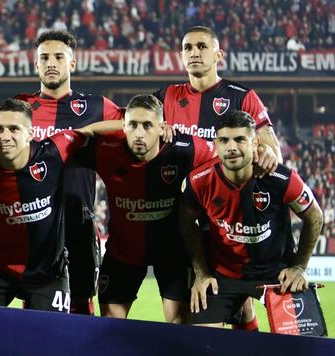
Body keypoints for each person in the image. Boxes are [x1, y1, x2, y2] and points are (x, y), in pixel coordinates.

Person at [154, 26, 281, 330]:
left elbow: (271, 147)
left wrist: (267, 153)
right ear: (181, 55)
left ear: (218, 54)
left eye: (201, 46)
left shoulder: (242, 97)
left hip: (227, 222)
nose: (194, 52)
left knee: (243, 305)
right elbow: (136, 127)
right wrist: (155, 130)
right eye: (187, 47)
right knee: (181, 316)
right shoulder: (167, 96)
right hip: (179, 217)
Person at [0, 98, 116, 313]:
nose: (5, 136)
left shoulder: (53, 152)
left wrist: (153, 127)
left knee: (53, 339)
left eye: (14, 129)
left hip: (48, 272)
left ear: (31, 133)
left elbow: (90, 130)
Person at [75, 94, 213, 323]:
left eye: (148, 125)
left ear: (162, 128)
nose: (139, 133)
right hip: (123, 253)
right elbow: (74, 137)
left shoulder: (185, 149)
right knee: (111, 331)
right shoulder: (105, 150)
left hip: (173, 254)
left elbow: (226, 159)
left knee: (179, 333)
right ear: (124, 126)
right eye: (133, 125)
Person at [180, 110, 323, 327]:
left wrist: (299, 268)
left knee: (299, 344)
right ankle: (247, 321)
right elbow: (186, 222)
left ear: (255, 142)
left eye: (240, 139)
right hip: (224, 276)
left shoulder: (281, 178)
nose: (231, 147)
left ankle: (247, 319)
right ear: (216, 144)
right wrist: (201, 273)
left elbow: (315, 216)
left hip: (277, 272)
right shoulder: (198, 181)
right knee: (204, 343)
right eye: (224, 140)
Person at [15, 30, 123, 315]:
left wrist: (87, 132)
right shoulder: (20, 107)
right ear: (35, 65)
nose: (51, 63)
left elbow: (135, 122)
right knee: (37, 305)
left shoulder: (96, 107)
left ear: (72, 64)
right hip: (35, 222)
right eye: (44, 58)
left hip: (79, 218)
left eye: (59, 57)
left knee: (82, 303)